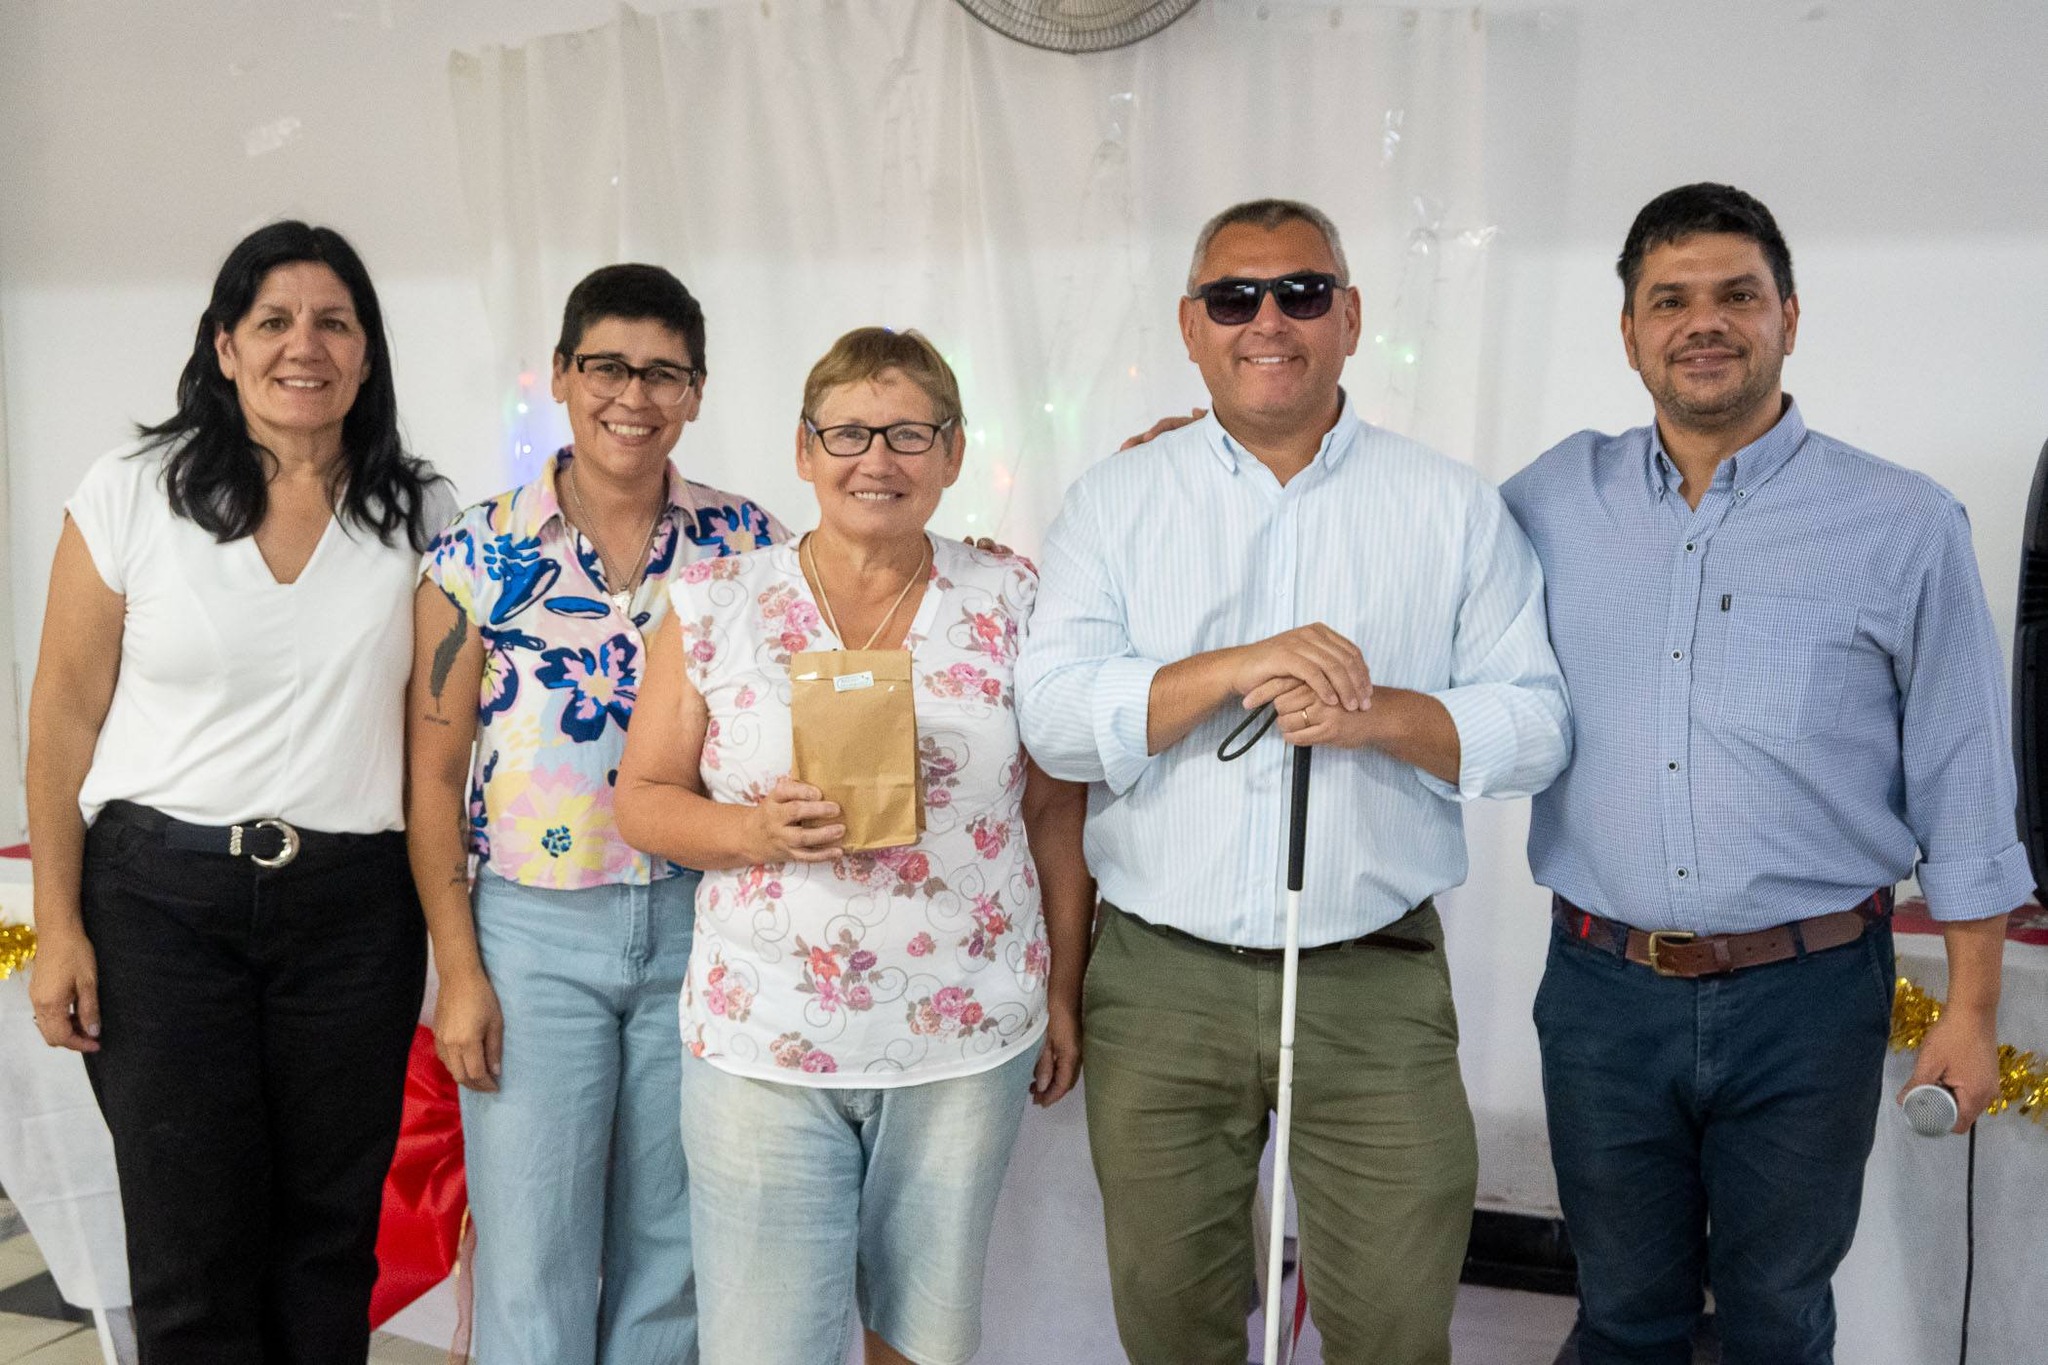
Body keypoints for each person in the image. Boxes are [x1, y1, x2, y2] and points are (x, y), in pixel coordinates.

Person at [1017, 198, 1571, 1365]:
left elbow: (1536, 727)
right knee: (1171, 1323)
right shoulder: (1115, 502)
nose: (1266, 320)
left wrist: (1383, 717)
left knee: (1394, 1327)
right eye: (1233, 297)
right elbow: (1056, 726)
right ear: (1191, 326)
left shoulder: (1449, 506)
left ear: (1350, 317)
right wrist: (1229, 670)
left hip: (1370, 978)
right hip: (1159, 980)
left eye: (1300, 292)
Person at [1499, 183, 2026, 1365]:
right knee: (1620, 1316)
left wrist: (1972, 1013)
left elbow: (1963, 778)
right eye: (1668, 300)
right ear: (1627, 333)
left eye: (1736, 295)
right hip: (1600, 993)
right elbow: (1404, 562)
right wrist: (1210, 457)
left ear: (1787, 316)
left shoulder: (1901, 522)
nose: (1703, 322)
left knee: (1775, 1321)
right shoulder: (1545, 503)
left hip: (1809, 997)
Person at [614, 325, 1089, 1365]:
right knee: (762, 1345)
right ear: (803, 448)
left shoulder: (1013, 598)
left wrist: (1063, 989)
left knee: (921, 1337)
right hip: (765, 1039)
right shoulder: (718, 602)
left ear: (953, 452)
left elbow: (1057, 812)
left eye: (910, 433)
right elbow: (642, 800)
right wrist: (751, 829)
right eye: (848, 433)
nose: (878, 458)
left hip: (963, 1035)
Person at [23, 221, 452, 1364]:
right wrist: (58, 926)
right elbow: (61, 718)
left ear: (366, 352)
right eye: (273, 321)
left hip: (353, 916)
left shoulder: (424, 514)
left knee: (329, 1244)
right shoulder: (130, 492)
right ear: (223, 346)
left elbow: (441, 739)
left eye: (333, 322)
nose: (303, 346)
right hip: (160, 907)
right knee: (190, 1250)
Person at [409, 263, 786, 1365]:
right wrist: (459, 970)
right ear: (563, 376)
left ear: (696, 392)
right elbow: (432, 778)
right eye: (608, 367)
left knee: (676, 1253)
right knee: (534, 1255)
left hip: (703, 927)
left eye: (664, 373)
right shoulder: (477, 552)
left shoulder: (750, 545)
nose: (634, 396)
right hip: (533, 935)